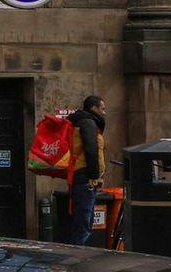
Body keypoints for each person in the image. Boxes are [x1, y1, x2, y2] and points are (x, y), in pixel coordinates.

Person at [68, 95, 108, 245]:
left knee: (82, 217)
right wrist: (94, 176)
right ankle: (79, 255)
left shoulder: (81, 121)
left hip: (80, 174)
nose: (104, 112)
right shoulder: (88, 123)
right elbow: (91, 150)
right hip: (85, 176)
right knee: (85, 220)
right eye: (102, 109)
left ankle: (79, 250)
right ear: (93, 108)